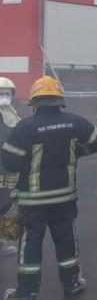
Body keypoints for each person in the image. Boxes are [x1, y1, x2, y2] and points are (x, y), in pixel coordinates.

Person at [1, 76, 97, 300]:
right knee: (66, 240)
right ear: (59, 99)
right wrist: (78, 151)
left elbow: (10, 162)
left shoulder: (25, 127)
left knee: (30, 244)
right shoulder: (74, 122)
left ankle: (27, 291)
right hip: (64, 198)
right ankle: (71, 284)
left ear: (34, 102)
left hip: (33, 200)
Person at [0, 77, 21, 257]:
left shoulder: (14, 114)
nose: (4, 97)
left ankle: (2, 242)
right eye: (0, 94)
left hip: (10, 170)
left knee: (7, 207)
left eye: (7, 93)